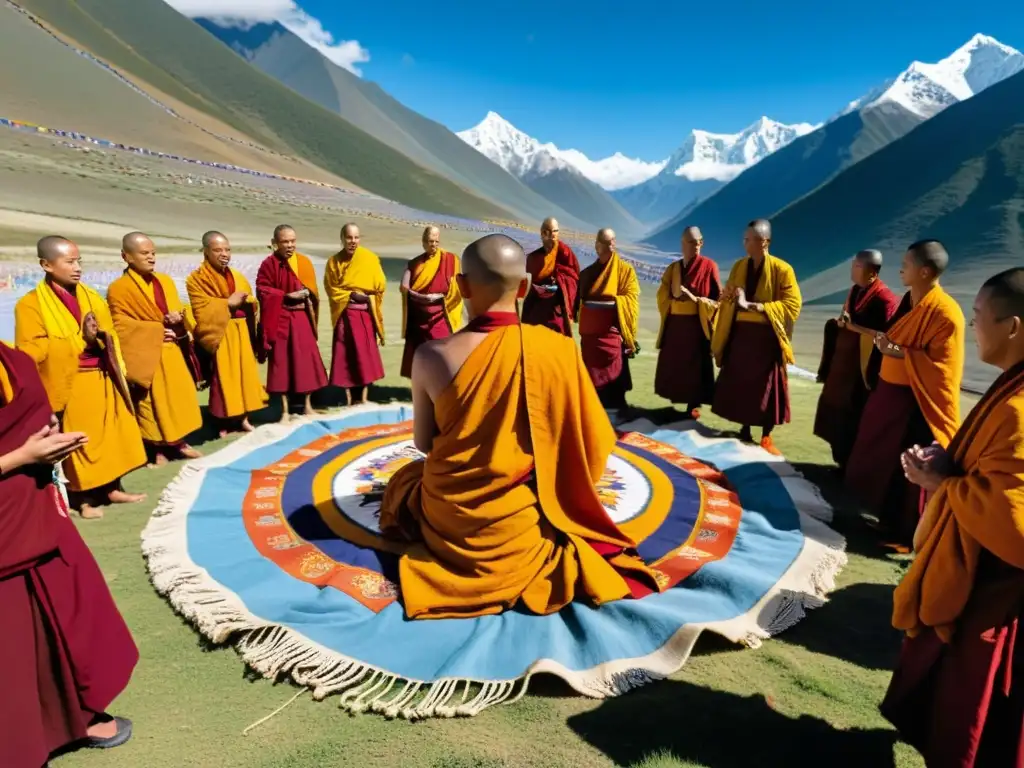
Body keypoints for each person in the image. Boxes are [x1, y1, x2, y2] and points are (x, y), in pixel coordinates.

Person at [379, 234, 662, 620]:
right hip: (523, 518)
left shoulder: (431, 356)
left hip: (451, 517)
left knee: (403, 482)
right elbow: (594, 444)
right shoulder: (558, 350)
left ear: (460, 288)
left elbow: (425, 443)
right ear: (525, 287)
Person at [880, 267, 1024, 766]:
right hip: (977, 573)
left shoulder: (1020, 406)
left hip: (996, 590)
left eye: (980, 316)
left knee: (974, 707)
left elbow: (1014, 524)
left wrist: (942, 484)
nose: (972, 325)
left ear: (1014, 327)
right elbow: (994, 471)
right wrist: (949, 461)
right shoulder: (1011, 386)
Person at [0, 340, 138, 768]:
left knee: (63, 608)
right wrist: (23, 454)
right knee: (12, 636)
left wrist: (44, 432)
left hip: (31, 500)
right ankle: (19, 740)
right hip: (7, 517)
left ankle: (73, 719)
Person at [15, 236, 147, 518]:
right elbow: (31, 350)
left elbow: (110, 332)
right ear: (46, 264)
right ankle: (82, 498)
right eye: (69, 261)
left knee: (111, 435)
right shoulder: (30, 305)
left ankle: (112, 487)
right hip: (70, 381)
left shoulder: (91, 296)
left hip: (101, 375)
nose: (77, 268)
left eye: (79, 261)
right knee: (80, 441)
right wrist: (79, 340)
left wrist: (100, 337)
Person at [845, 240, 964, 547]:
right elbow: (899, 341)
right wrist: (890, 348)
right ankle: (883, 520)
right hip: (891, 394)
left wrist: (894, 350)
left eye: (907, 264)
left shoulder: (945, 312)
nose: (901, 268)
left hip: (917, 400)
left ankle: (905, 533)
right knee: (880, 458)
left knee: (907, 468)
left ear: (925, 271)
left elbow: (940, 366)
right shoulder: (911, 300)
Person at [108, 232, 203, 465]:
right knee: (150, 403)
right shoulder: (119, 289)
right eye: (144, 253)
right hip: (144, 356)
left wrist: (178, 321)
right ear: (126, 256)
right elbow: (120, 326)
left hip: (171, 350)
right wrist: (157, 330)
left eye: (153, 253)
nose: (151, 258)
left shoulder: (166, 281)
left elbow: (181, 312)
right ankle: (156, 450)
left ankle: (179, 443)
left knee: (176, 398)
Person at [710, 219, 802, 455]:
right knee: (742, 384)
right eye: (744, 239)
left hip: (766, 337)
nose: (745, 244)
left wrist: (755, 306)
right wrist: (729, 298)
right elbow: (730, 297)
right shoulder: (739, 267)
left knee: (767, 388)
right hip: (741, 335)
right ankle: (745, 428)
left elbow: (792, 304)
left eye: (749, 239)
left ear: (765, 242)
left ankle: (766, 434)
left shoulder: (783, 270)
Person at [813, 249, 902, 470]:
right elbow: (847, 318)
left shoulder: (885, 299)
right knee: (835, 412)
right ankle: (839, 460)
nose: (852, 269)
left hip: (864, 372)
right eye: (853, 265)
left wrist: (853, 327)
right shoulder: (855, 291)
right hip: (843, 367)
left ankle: (849, 466)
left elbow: (886, 336)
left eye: (857, 266)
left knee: (855, 416)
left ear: (872, 273)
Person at [186, 231, 267, 435]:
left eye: (227, 249)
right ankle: (224, 422)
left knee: (244, 375)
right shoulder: (196, 279)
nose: (224, 254)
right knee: (223, 376)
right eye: (218, 250)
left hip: (241, 331)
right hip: (221, 332)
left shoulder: (237, 276)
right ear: (206, 252)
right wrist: (228, 304)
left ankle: (244, 418)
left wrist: (249, 302)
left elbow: (252, 301)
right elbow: (201, 309)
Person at [255, 225, 327, 421]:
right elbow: (262, 290)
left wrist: (307, 293)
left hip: (302, 317)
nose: (290, 245)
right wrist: (286, 296)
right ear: (275, 243)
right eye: (285, 241)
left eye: (292, 241)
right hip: (282, 319)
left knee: (306, 362)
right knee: (282, 364)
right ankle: (285, 411)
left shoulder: (303, 262)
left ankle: (307, 406)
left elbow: (313, 290)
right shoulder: (269, 265)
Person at [654, 226, 721, 419]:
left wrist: (695, 300)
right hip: (675, 324)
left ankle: (693, 406)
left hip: (696, 324)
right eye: (691, 242)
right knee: (676, 364)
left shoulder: (710, 267)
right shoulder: (674, 268)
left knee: (695, 367)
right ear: (683, 244)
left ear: (702, 243)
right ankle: (678, 400)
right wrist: (673, 301)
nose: (696, 246)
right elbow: (662, 294)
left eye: (698, 242)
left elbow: (718, 301)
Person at [575, 228, 640, 415]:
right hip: (591, 335)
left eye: (613, 241)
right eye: (606, 242)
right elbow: (578, 301)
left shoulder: (625, 271)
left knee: (614, 380)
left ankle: (615, 410)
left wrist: (615, 303)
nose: (611, 245)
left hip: (612, 333)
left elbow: (632, 298)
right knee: (591, 379)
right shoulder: (588, 274)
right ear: (597, 246)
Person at [324, 224, 386, 406]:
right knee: (347, 357)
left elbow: (380, 286)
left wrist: (368, 298)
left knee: (364, 357)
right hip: (345, 315)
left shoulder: (370, 259)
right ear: (342, 238)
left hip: (365, 315)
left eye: (356, 237)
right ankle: (350, 399)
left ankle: (364, 398)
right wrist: (351, 295)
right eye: (349, 238)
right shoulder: (334, 262)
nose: (353, 242)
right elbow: (331, 289)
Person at [398, 226, 462, 378]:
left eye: (436, 241)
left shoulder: (451, 260)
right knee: (420, 355)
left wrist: (439, 298)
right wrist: (412, 293)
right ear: (423, 242)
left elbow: (457, 288)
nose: (433, 245)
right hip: (419, 317)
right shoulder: (414, 263)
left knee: (441, 353)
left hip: (440, 314)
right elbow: (404, 287)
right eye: (429, 241)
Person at [522, 217, 580, 336]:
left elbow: (574, 276)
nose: (551, 235)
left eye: (555, 231)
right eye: (547, 231)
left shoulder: (565, 253)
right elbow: (528, 282)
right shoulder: (534, 258)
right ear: (542, 233)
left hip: (555, 307)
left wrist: (559, 281)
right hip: (536, 307)